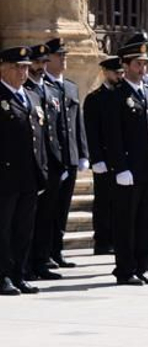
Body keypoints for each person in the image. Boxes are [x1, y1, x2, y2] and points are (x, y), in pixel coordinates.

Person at [104, 39, 148, 286]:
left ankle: (142, 265)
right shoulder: (117, 95)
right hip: (130, 169)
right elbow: (112, 136)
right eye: (137, 64)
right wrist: (119, 167)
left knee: (147, 222)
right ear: (125, 65)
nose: (142, 68)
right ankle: (125, 269)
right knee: (127, 222)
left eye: (145, 63)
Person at [36, 38, 87, 272]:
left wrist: (83, 153)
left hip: (71, 156)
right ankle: (43, 254)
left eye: (65, 55)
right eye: (59, 56)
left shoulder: (71, 87)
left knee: (62, 209)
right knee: (47, 211)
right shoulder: (41, 87)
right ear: (48, 61)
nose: (64, 59)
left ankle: (57, 251)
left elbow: (78, 124)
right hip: (52, 160)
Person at [1, 46, 48, 296]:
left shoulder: (31, 96)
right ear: (4, 69)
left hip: (29, 175)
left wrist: (42, 170)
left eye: (26, 68)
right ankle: (3, 276)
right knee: (4, 229)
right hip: (5, 176)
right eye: (18, 67)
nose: (23, 72)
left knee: (23, 228)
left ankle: (19, 273)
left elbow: (39, 137)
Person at [82, 56, 124, 256]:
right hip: (103, 158)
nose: (120, 76)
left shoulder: (123, 95)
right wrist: (95, 158)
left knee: (119, 202)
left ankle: (116, 238)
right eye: (116, 73)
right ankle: (102, 240)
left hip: (120, 158)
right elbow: (91, 131)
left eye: (122, 72)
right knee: (103, 201)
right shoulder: (95, 98)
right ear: (105, 72)